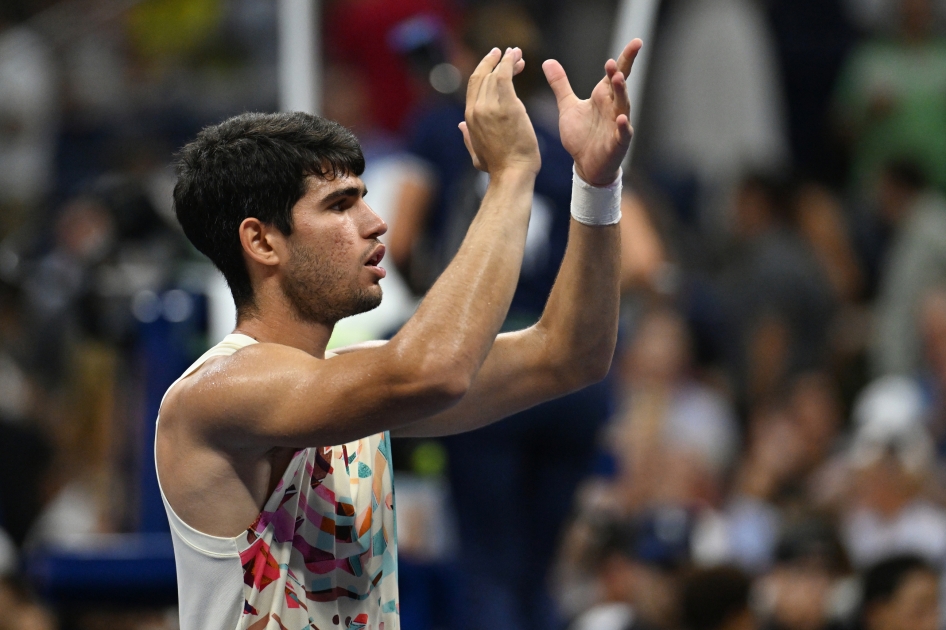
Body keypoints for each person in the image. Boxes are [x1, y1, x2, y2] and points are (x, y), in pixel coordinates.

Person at [157, 39, 642, 630]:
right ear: (262, 242)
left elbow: (569, 356)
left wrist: (593, 186)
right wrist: (512, 174)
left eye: (363, 198)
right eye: (340, 206)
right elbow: (433, 368)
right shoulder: (217, 391)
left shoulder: (354, 386)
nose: (375, 222)